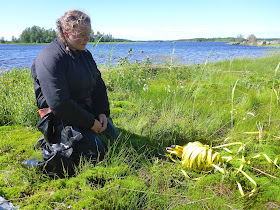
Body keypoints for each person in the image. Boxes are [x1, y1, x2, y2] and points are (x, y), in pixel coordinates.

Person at [23, 9, 119, 178]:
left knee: (116, 141)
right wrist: (90, 123)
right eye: (82, 35)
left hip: (84, 110)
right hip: (58, 117)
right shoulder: (50, 57)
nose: (87, 39)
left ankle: (65, 141)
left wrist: (102, 112)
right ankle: (49, 150)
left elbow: (98, 85)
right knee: (95, 153)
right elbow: (59, 103)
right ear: (66, 33)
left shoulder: (84, 54)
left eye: (89, 34)